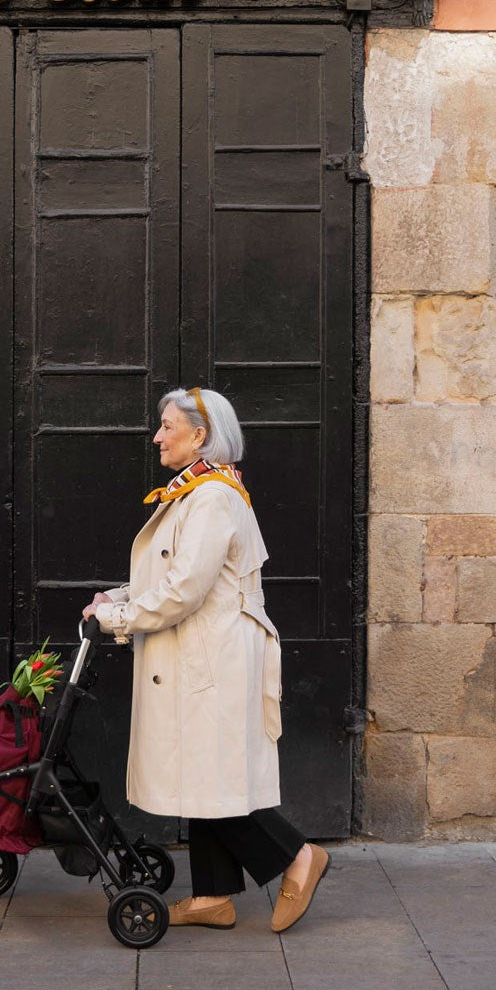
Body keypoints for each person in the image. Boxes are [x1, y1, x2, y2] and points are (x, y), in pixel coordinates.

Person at [82, 387, 328, 932]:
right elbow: (171, 577)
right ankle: (212, 897)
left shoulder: (213, 497)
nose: (157, 436)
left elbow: (185, 590)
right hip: (201, 651)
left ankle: (296, 857)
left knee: (214, 779)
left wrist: (119, 620)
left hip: (211, 658)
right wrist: (116, 599)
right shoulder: (197, 494)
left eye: (168, 426)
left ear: (200, 435)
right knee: (204, 774)